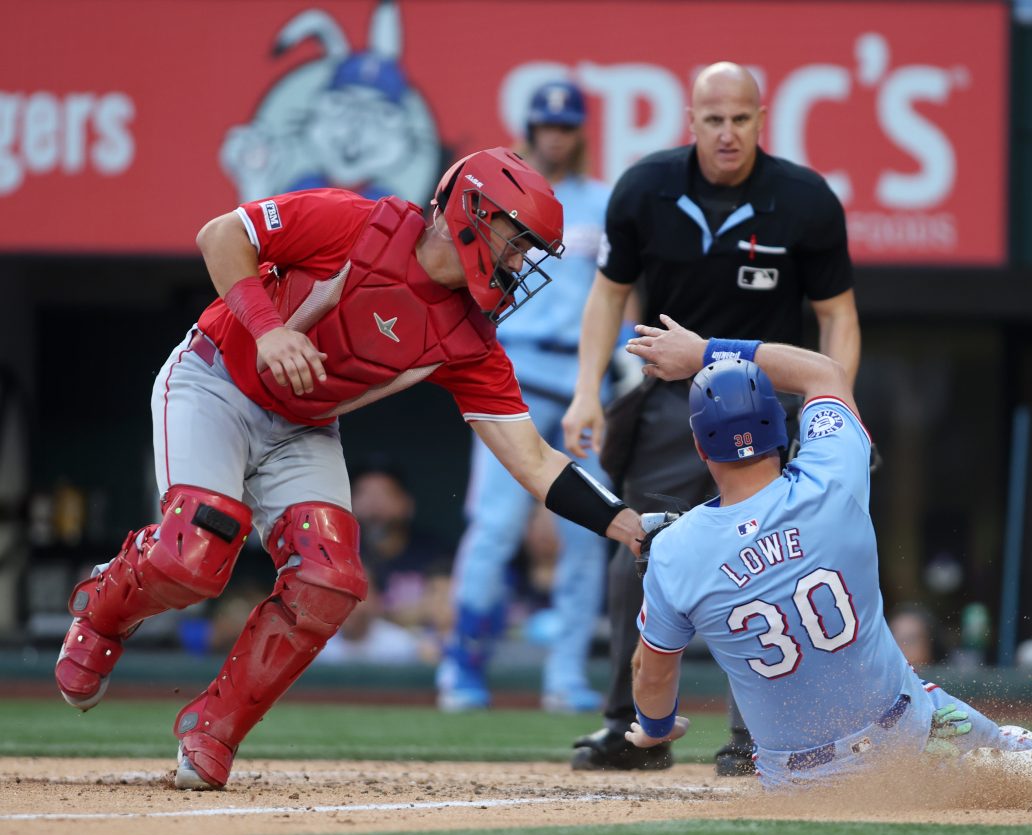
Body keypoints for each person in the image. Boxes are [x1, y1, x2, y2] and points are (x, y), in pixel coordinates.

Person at [52, 146, 642, 791]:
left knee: (330, 580)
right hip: (217, 376)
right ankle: (103, 609)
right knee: (194, 552)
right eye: (518, 241)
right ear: (472, 212)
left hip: (300, 426)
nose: (521, 262)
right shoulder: (357, 223)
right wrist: (269, 328)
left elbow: (533, 459)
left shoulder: (471, 340)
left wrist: (622, 524)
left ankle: (214, 727)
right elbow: (220, 235)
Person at [619, 318, 1032, 789]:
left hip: (801, 779)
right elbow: (824, 372)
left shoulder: (674, 550)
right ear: (781, 433)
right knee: (1011, 745)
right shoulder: (833, 478)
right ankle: (987, 762)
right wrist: (704, 351)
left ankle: (951, 773)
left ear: (700, 446)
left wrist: (658, 729)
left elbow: (652, 675)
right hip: (908, 729)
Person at [562, 61, 861, 775]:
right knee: (639, 549)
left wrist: (837, 400)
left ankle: (759, 737)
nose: (728, 133)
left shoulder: (806, 199)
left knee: (774, 559)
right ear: (690, 122)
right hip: (671, 400)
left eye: (741, 119)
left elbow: (837, 316)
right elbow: (608, 295)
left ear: (763, 120)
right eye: (714, 119)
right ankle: (634, 728)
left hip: (770, 402)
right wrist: (584, 391)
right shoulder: (644, 188)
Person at [440, 82, 613, 714]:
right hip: (509, 373)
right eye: (547, 125)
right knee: (495, 529)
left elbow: (623, 292)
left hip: (581, 386)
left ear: (579, 132)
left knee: (589, 532)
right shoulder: (498, 191)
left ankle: (565, 675)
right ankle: (462, 667)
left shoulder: (603, 200)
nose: (556, 136)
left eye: (566, 126)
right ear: (532, 127)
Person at [351, 464, 449, 628]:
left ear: (407, 503)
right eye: (364, 494)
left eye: (384, 494)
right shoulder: (341, 555)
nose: (374, 506)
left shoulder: (435, 551)